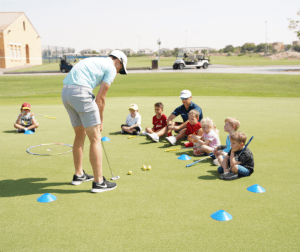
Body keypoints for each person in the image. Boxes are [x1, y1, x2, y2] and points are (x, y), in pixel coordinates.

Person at [61, 50, 128, 193]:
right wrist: (101, 121)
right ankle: (99, 182)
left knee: (80, 134)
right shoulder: (110, 67)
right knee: (95, 137)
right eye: (120, 69)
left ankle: (79, 175)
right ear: (119, 61)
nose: (118, 72)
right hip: (81, 93)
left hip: (66, 93)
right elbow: (100, 98)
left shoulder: (95, 60)